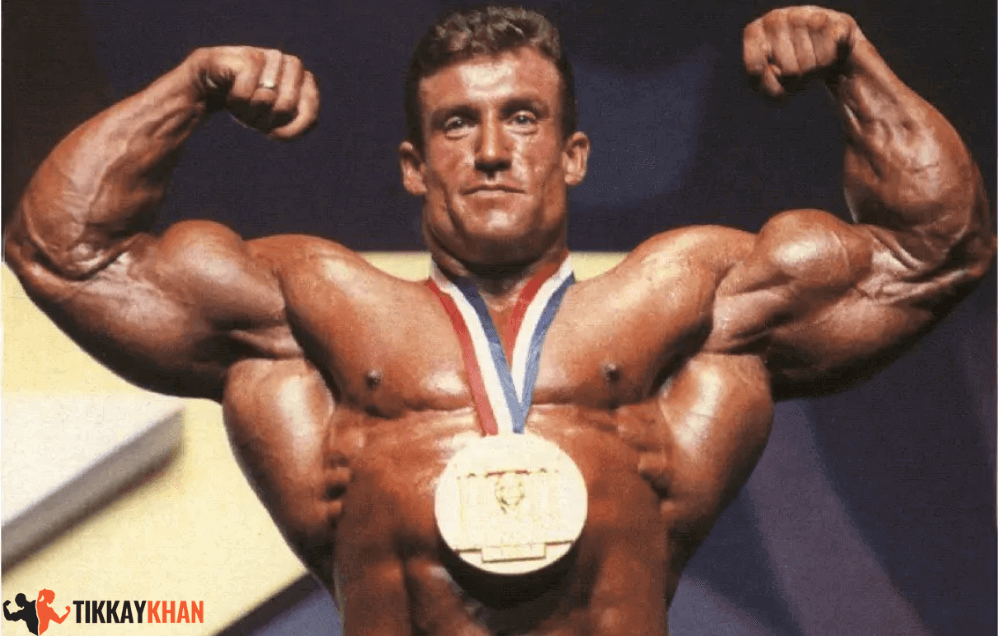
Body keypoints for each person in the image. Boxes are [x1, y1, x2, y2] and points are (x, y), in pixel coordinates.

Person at [4, 4, 993, 635]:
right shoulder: (311, 318)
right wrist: (187, 90)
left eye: (522, 117)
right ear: (413, 166)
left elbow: (936, 248)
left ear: (572, 155)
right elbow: (63, 251)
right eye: (455, 123)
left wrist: (854, 65)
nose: (489, 149)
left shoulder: (688, 308)